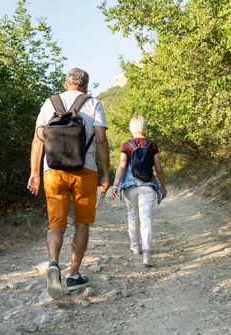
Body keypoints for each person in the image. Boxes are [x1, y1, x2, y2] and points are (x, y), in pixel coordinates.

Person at [27, 68, 110, 299]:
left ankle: (53, 263)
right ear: (85, 85)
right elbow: (101, 139)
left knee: (56, 224)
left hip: (53, 171)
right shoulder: (93, 104)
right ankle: (74, 275)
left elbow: (38, 139)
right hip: (85, 170)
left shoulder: (49, 103)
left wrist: (35, 173)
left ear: (66, 84)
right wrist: (106, 174)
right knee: (82, 224)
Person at [110, 116, 167, 267]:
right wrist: (163, 186)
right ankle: (147, 252)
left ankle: (135, 246)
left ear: (131, 128)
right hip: (147, 186)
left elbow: (122, 166)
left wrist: (115, 185)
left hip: (130, 186)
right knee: (146, 217)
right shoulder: (151, 145)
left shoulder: (126, 145)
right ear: (144, 127)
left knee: (133, 216)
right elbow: (159, 168)